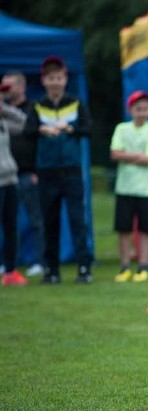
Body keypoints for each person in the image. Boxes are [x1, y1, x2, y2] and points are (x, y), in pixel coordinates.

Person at [24, 55, 93, 284]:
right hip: (47, 172)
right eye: (51, 78)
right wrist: (43, 130)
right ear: (44, 80)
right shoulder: (38, 106)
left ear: (65, 79)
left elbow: (88, 128)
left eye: (59, 78)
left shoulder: (75, 103)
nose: (55, 82)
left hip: (71, 171)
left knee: (77, 220)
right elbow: (27, 132)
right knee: (49, 222)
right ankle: (51, 270)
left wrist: (70, 128)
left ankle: (84, 268)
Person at [110, 90, 148, 283]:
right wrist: (137, 155)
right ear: (131, 110)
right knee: (124, 228)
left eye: (145, 109)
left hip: (147, 189)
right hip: (125, 187)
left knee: (146, 229)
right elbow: (115, 154)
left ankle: (143, 264)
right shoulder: (122, 129)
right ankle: (124, 265)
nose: (142, 112)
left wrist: (127, 155)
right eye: (138, 109)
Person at [2, 71, 44, 277]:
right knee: (7, 223)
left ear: (22, 86)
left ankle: (39, 261)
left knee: (35, 219)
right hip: (5, 179)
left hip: (26, 173)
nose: (6, 92)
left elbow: (25, 126)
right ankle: (8, 263)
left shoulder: (30, 110)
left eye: (8, 87)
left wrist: (4, 110)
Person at [0, 84, 29, 286]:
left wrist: (5, 108)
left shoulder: (3, 122)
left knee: (11, 227)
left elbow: (26, 123)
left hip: (10, 180)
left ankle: (10, 271)